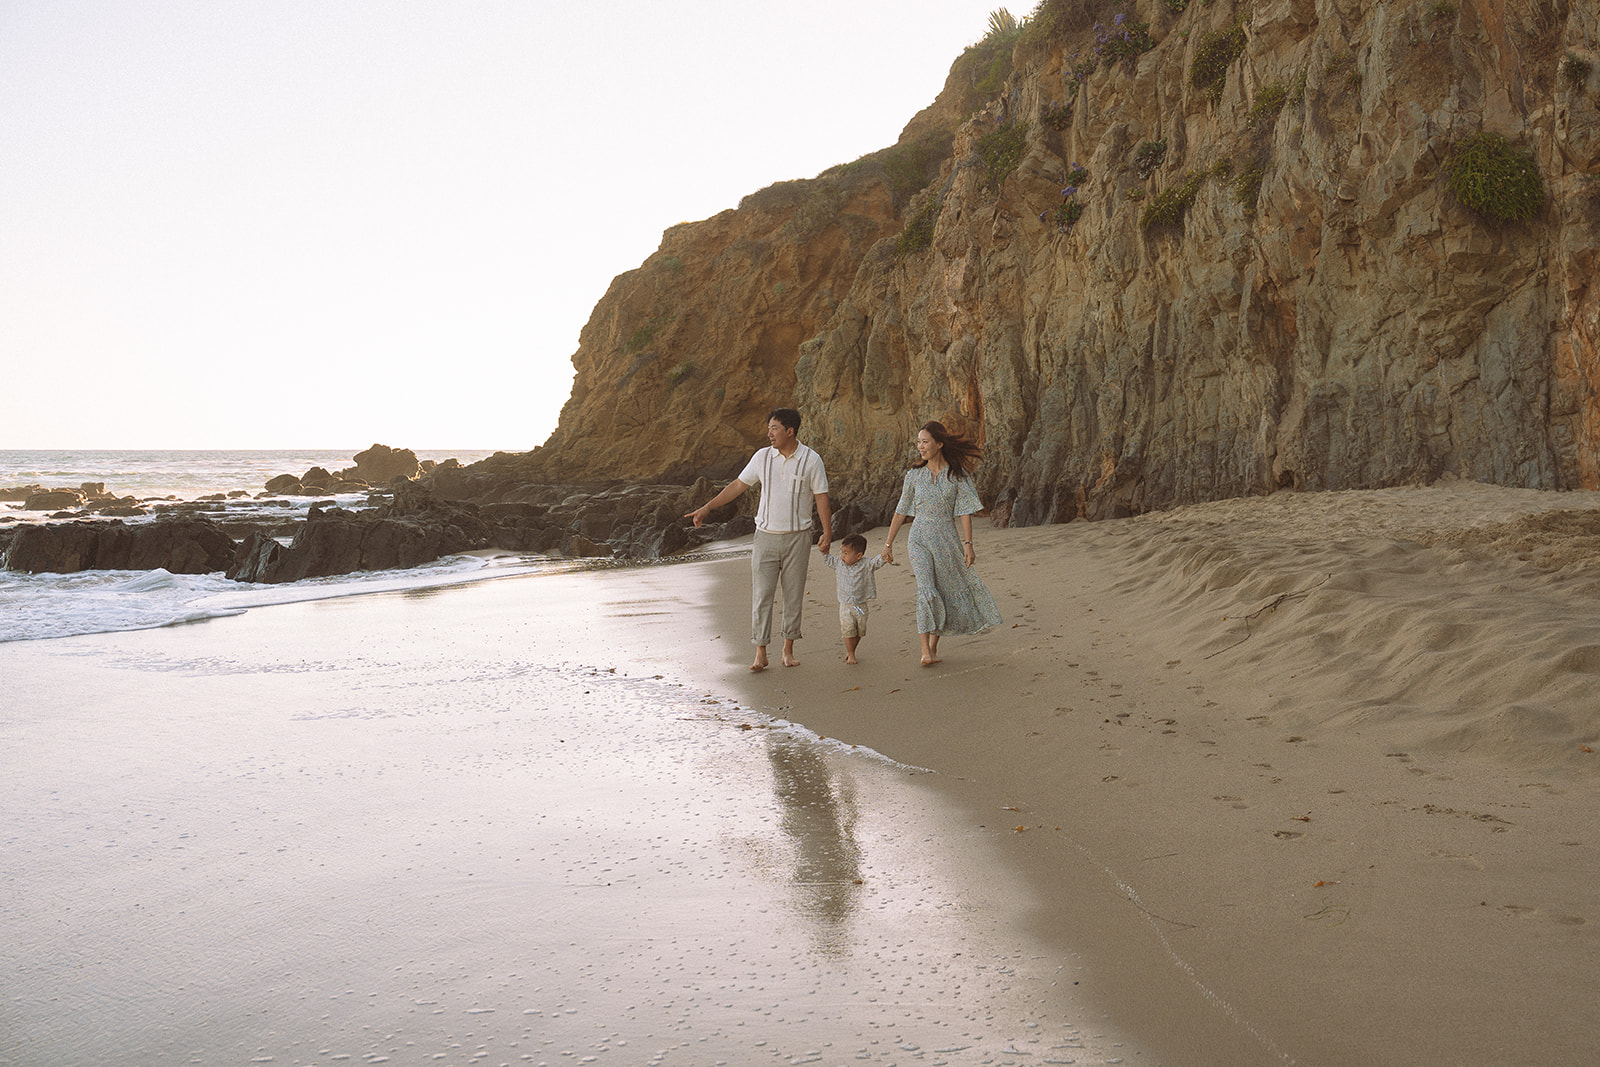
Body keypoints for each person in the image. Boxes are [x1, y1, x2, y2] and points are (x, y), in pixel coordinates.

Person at [685, 408, 832, 671]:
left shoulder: (812, 460)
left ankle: (788, 650)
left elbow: (821, 497)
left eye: (774, 428)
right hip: (765, 537)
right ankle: (760, 652)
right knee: (762, 595)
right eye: (769, 428)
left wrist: (827, 532)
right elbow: (738, 486)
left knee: (793, 595)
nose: (769, 433)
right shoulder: (762, 457)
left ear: (790, 431)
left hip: (798, 538)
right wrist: (707, 507)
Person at [881, 421, 1002, 666]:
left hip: (946, 538)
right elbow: (901, 511)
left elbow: (965, 512)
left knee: (944, 592)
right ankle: (924, 649)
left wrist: (968, 543)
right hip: (919, 538)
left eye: (925, 442)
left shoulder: (957, 476)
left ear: (939, 444)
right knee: (926, 588)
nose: (920, 446)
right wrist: (888, 544)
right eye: (918, 442)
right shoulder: (913, 475)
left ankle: (934, 646)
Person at [818, 533, 888, 665]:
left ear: (859, 556)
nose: (842, 556)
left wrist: (885, 555)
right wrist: (824, 552)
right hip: (845, 605)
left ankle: (852, 649)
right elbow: (828, 560)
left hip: (860, 605)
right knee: (848, 629)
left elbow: (877, 562)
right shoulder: (839, 563)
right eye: (842, 552)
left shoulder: (866, 564)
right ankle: (851, 653)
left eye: (846, 553)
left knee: (859, 629)